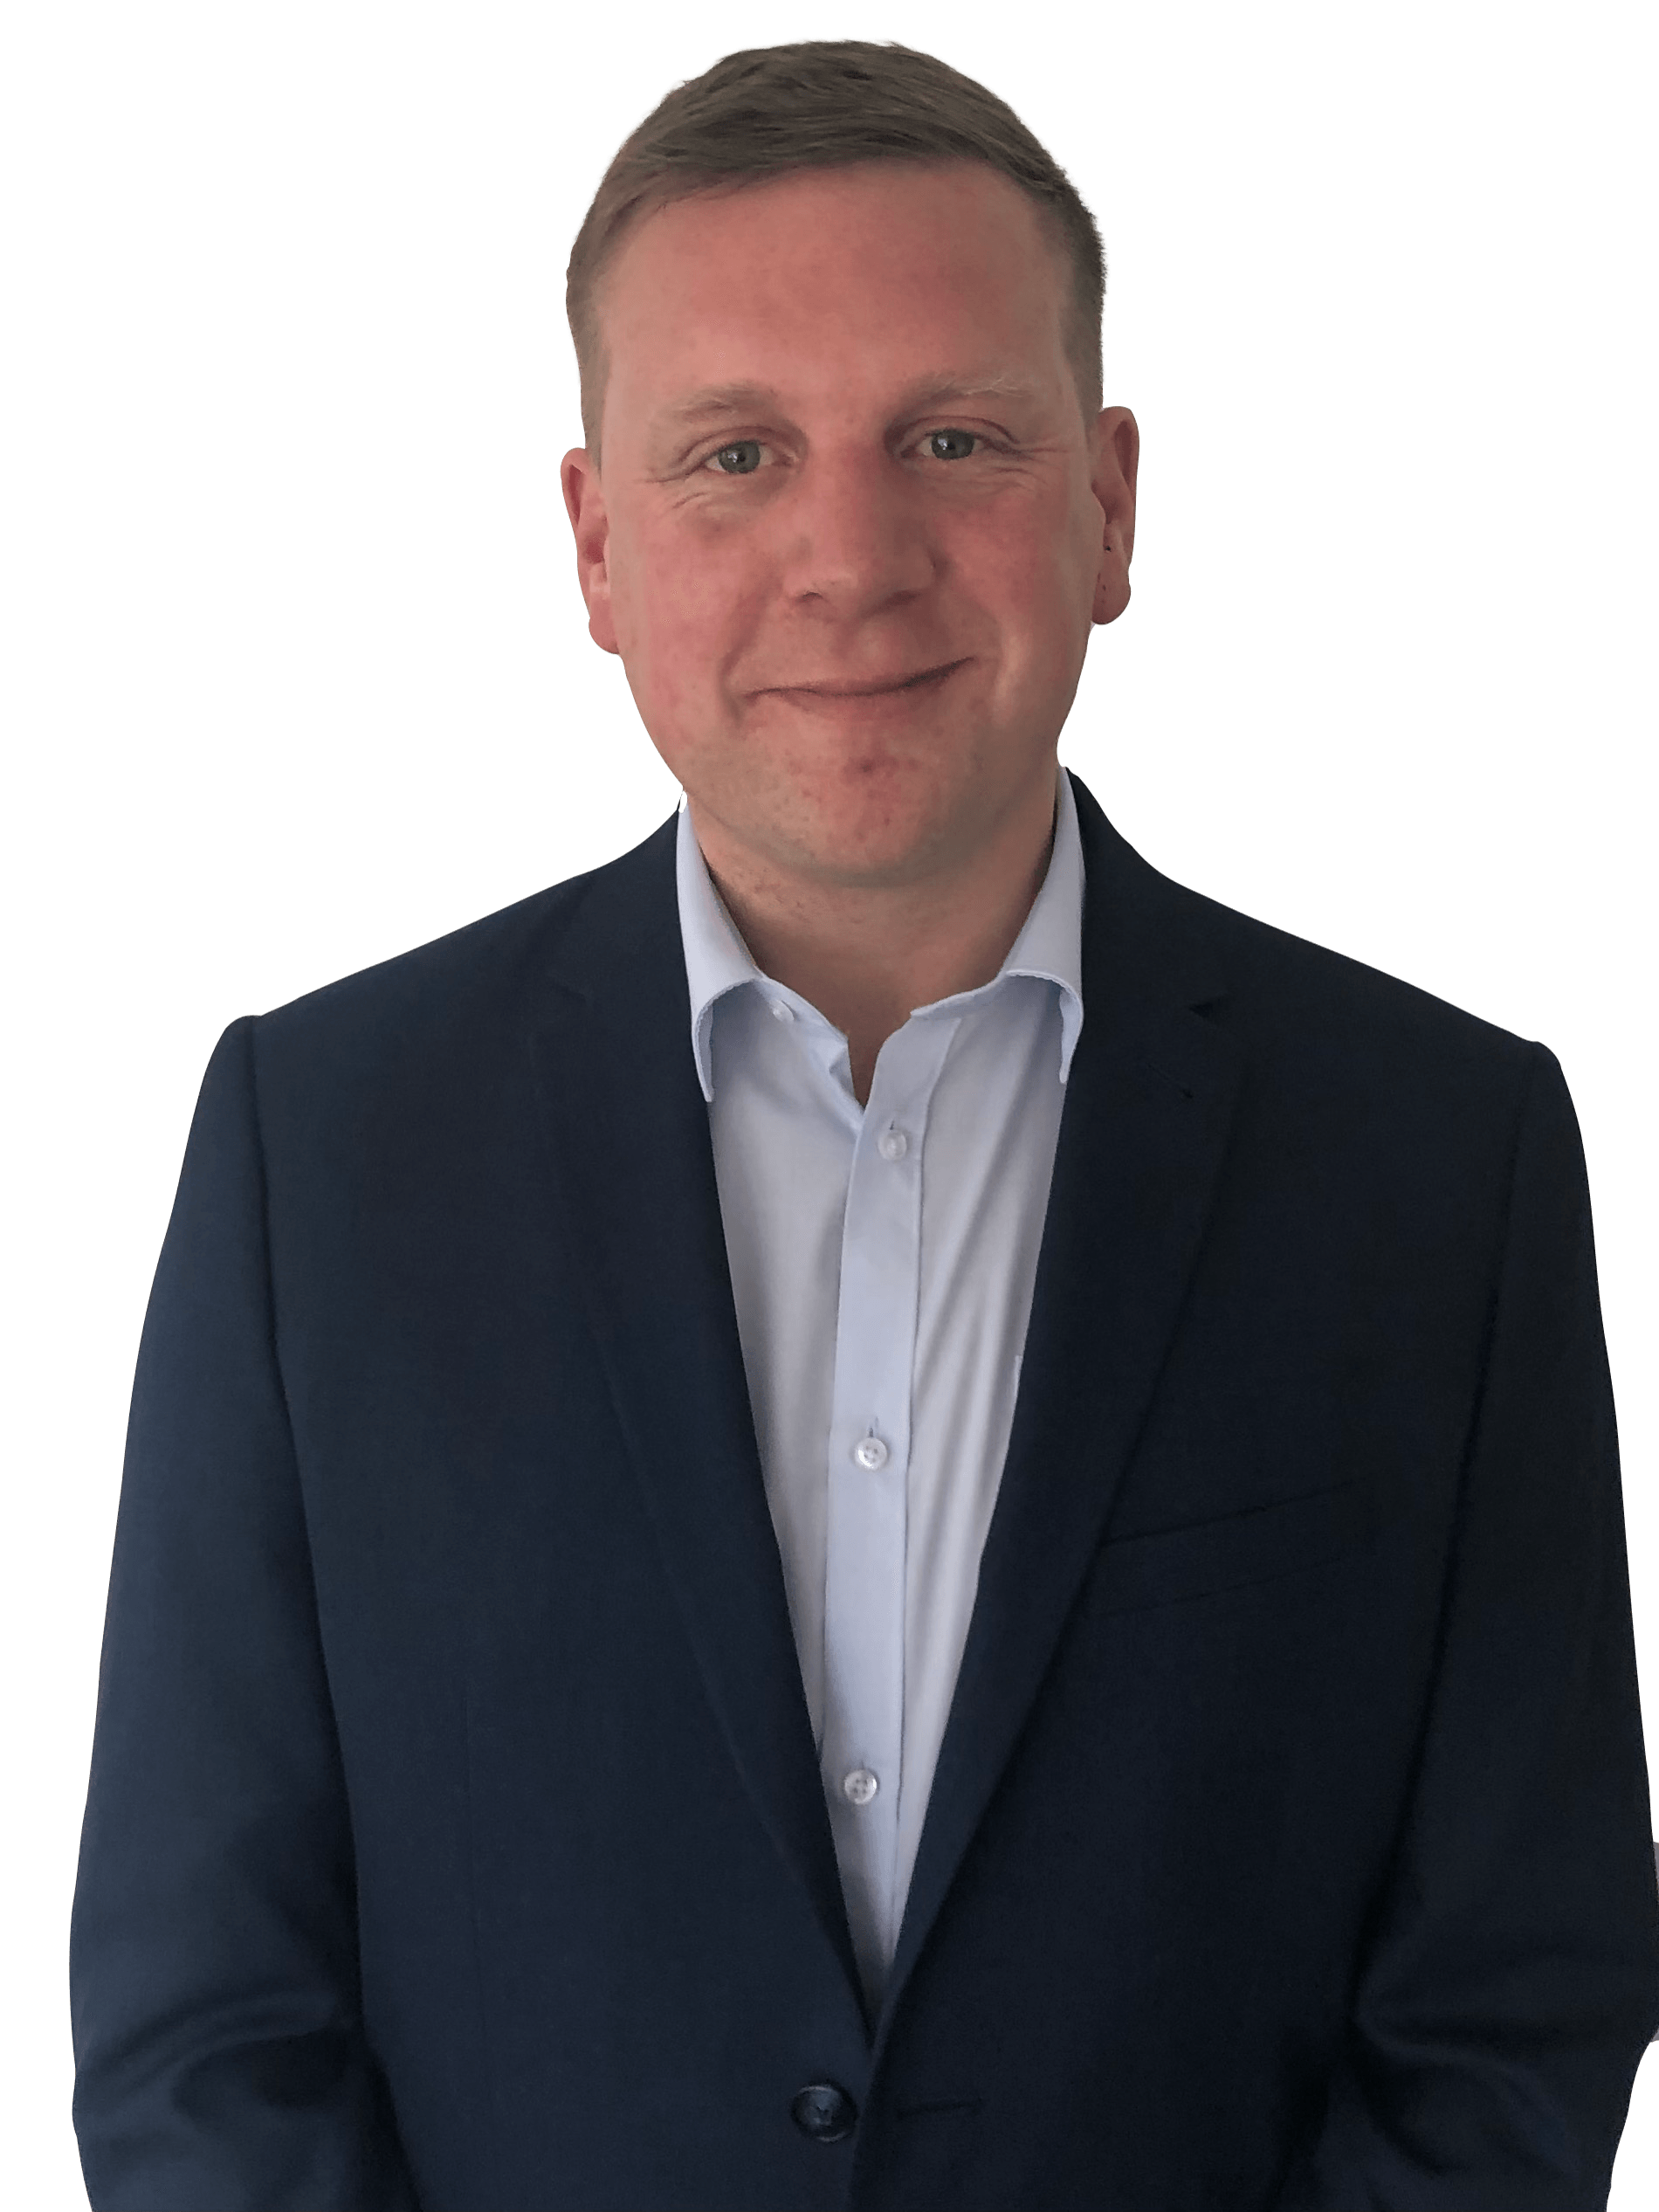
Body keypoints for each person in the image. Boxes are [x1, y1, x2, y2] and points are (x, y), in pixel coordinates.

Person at [68, 34, 1659, 2212]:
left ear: (1104, 501)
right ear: (596, 543)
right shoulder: (316, 1148)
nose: (850, 551)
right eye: (734, 452)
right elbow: (206, 2026)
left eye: (951, 437)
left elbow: (1511, 2004)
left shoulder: (1438, 1157)